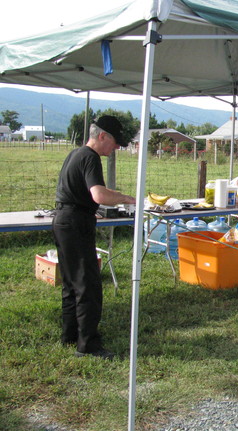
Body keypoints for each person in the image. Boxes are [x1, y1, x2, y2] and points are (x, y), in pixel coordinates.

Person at [52, 115, 136, 359]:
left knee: (71, 283)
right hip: (75, 222)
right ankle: (88, 345)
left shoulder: (75, 154)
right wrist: (128, 198)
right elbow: (98, 195)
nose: (117, 147)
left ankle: (70, 335)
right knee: (88, 285)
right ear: (102, 136)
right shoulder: (90, 157)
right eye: (115, 142)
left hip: (63, 220)